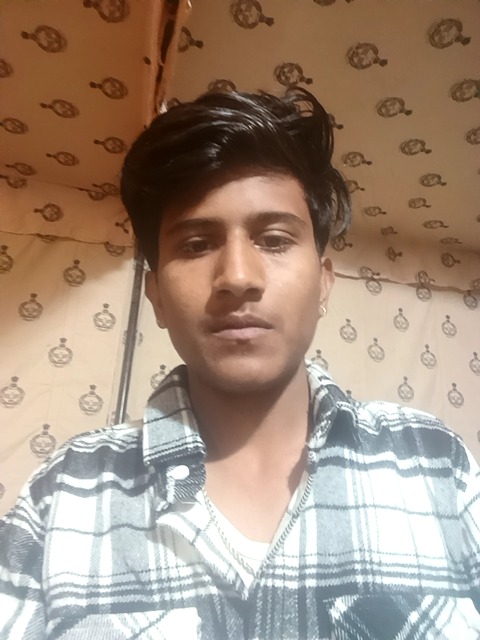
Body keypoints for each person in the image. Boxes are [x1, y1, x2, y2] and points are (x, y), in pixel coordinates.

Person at [0, 88, 479, 640]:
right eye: (195, 244)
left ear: (324, 283)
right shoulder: (66, 489)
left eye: (274, 239)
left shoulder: (433, 460)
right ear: (155, 296)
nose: (237, 277)